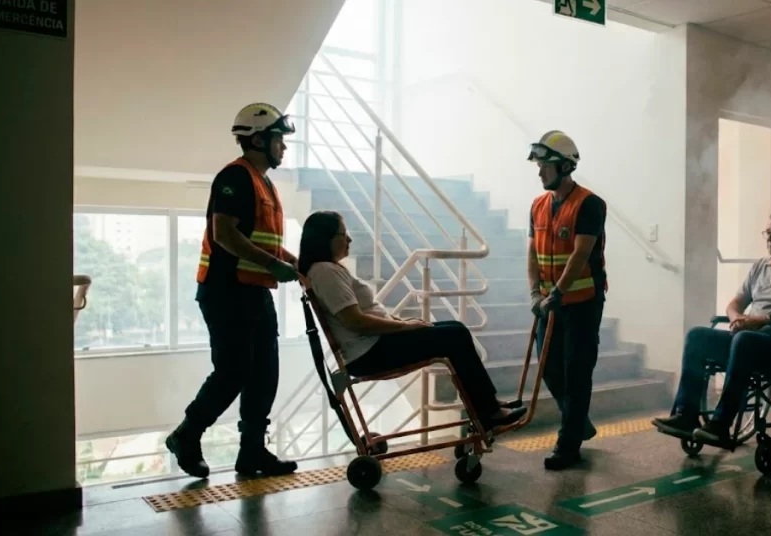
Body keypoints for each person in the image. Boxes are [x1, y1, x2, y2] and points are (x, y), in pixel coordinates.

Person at [165, 103, 302, 479]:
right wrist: (276, 266)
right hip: (227, 292)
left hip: (256, 290)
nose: (284, 148)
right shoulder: (235, 177)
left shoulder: (264, 183)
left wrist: (297, 262)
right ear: (258, 139)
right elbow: (224, 233)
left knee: (264, 374)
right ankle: (187, 435)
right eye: (278, 140)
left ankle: (252, 452)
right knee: (234, 371)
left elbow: (267, 242)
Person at [299, 210, 527, 431]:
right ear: (324, 238)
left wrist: (402, 323)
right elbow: (355, 321)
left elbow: (363, 314)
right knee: (455, 336)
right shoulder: (325, 272)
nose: (349, 238)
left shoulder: (328, 270)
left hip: (375, 344)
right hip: (370, 352)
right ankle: (488, 412)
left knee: (455, 329)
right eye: (343, 234)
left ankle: (486, 406)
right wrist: (404, 326)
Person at [652, 210, 771, 444]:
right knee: (697, 336)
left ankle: (721, 424)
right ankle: (686, 415)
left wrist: (766, 320)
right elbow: (735, 303)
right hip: (748, 337)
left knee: (744, 340)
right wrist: (736, 317)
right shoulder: (760, 267)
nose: (770, 238)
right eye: (768, 232)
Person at [526, 130, 608, 470]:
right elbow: (532, 252)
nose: (540, 172)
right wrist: (536, 293)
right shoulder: (537, 205)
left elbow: (580, 254)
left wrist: (558, 292)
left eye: (545, 165)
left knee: (576, 371)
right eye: (540, 165)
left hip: (583, 303)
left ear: (564, 166)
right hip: (550, 303)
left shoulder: (589, 204)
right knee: (548, 366)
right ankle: (578, 420)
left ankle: (568, 443)